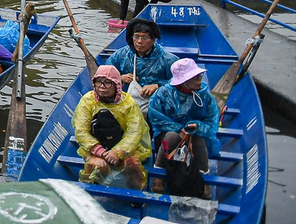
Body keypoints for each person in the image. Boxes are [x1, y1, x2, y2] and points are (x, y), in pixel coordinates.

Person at [149, 58, 221, 198]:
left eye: (199, 76)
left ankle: (203, 177)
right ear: (184, 81)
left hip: (195, 135)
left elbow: (212, 121)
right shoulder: (163, 93)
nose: (199, 79)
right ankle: (159, 173)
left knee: (199, 140)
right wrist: (178, 129)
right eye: (195, 77)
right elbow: (156, 118)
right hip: (166, 137)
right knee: (171, 137)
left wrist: (197, 127)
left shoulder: (204, 95)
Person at [71, 64, 150, 190]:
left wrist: (118, 152)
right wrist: (99, 151)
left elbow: (134, 133)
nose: (102, 87)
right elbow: (81, 131)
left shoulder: (129, 104)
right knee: (96, 164)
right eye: (99, 82)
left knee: (131, 164)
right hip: (96, 146)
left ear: (117, 85)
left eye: (108, 83)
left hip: (124, 146)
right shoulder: (87, 100)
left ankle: (136, 195)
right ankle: (86, 191)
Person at [107, 18, 178, 113]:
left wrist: (158, 86)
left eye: (144, 38)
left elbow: (180, 82)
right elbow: (105, 74)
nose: (139, 41)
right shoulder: (121, 55)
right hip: (125, 102)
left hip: (158, 105)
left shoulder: (168, 60)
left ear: (153, 40)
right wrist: (120, 77)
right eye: (136, 37)